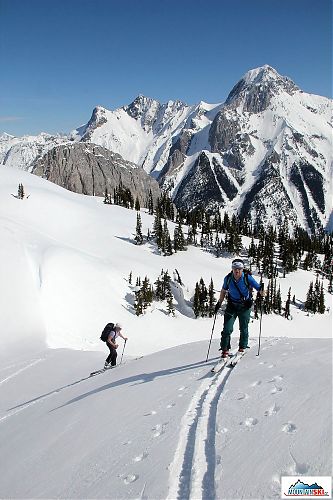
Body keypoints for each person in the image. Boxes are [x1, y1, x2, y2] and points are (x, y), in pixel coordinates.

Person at [214, 258, 264, 358]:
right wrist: (219, 303)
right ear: (232, 269)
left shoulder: (247, 278)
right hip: (232, 305)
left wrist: (262, 290)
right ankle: (225, 350)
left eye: (239, 268)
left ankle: (242, 348)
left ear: (242, 269)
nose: (237, 271)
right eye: (235, 268)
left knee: (243, 328)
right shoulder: (228, 278)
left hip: (244, 306)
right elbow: (223, 291)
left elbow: (259, 289)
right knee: (227, 328)